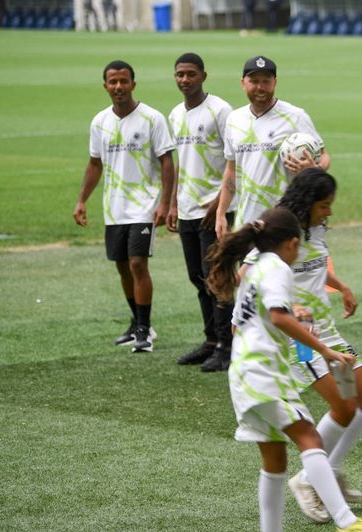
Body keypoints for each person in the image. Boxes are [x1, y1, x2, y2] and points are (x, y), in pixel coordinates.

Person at [206, 207, 362, 532]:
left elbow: (239, 322)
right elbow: (278, 317)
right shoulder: (277, 266)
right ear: (292, 244)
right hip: (263, 373)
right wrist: (325, 350)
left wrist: (288, 316)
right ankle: (347, 523)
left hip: (244, 373)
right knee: (309, 436)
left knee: (275, 460)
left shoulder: (255, 266)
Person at [273, 169, 362, 523]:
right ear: (307, 203)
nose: (330, 212)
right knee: (343, 405)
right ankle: (307, 480)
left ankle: (328, 471)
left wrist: (342, 285)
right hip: (301, 339)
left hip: (329, 332)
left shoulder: (315, 227)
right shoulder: (279, 229)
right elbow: (253, 275)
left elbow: (314, 265)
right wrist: (288, 309)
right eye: (324, 206)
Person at [73, 60, 174, 353]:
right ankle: (136, 322)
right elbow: (95, 163)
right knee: (122, 267)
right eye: (113, 82)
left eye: (124, 81)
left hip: (145, 204)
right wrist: (82, 200)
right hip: (114, 207)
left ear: (133, 83)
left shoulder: (152, 118)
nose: (118, 87)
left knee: (137, 263)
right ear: (105, 85)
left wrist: (165, 202)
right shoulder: (99, 122)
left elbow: (167, 161)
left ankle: (145, 329)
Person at [214, 55, 330, 240]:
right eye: (254, 81)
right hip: (247, 223)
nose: (260, 87)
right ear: (243, 82)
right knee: (248, 269)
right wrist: (221, 213)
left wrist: (313, 170)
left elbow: (324, 157)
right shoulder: (234, 120)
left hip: (285, 220)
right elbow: (231, 171)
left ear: (274, 82)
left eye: (266, 81)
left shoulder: (295, 116)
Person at [168, 53, 235, 372]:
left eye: (190, 74)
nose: (185, 79)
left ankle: (227, 345)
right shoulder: (175, 115)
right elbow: (181, 162)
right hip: (187, 208)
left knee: (217, 277)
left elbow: (233, 159)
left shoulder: (220, 110)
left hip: (215, 209)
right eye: (180, 74)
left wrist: (220, 202)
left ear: (203, 76)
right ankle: (211, 340)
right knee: (197, 276)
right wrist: (171, 203)